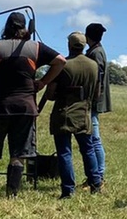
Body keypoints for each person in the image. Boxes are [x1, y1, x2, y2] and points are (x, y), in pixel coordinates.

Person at [0, 12, 66, 198]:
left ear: (7, 27)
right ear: (25, 27)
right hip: (25, 107)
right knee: (18, 154)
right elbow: (61, 61)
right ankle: (11, 195)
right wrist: (43, 82)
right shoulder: (35, 48)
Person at [47, 32, 102, 199]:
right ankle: (96, 183)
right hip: (84, 114)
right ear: (84, 45)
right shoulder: (94, 65)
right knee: (88, 150)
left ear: (69, 45)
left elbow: (50, 94)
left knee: (64, 153)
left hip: (63, 114)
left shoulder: (63, 64)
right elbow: (97, 94)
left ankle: (68, 190)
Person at [84, 22, 110, 186]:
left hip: (93, 101)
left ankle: (98, 176)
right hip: (94, 100)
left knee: (94, 139)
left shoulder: (96, 53)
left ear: (88, 36)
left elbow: (98, 77)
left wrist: (94, 98)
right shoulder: (96, 51)